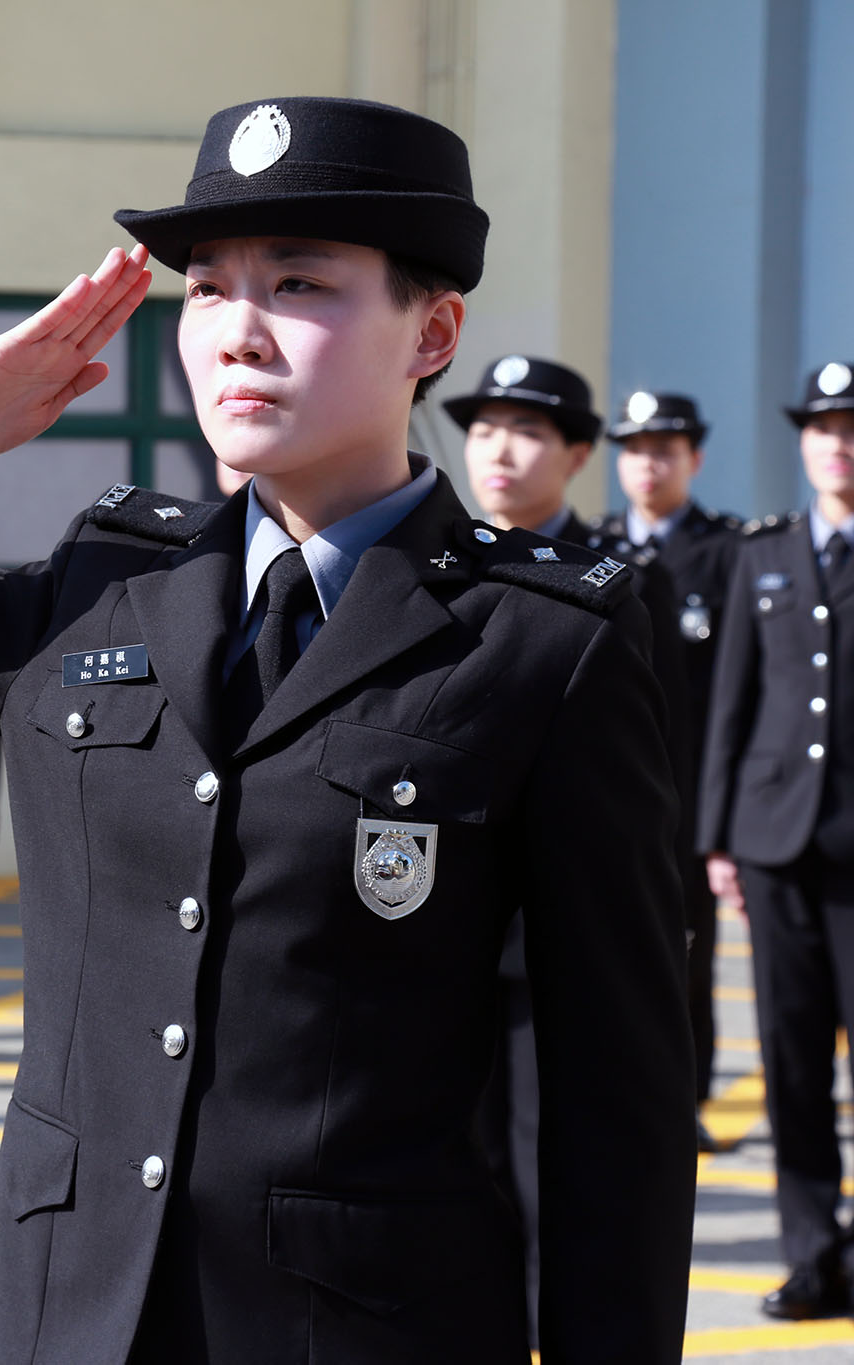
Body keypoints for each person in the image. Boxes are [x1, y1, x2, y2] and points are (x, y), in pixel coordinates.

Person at [0, 97, 696, 1361]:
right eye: (208, 289)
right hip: (68, 1314)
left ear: (431, 332)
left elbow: (613, 1095)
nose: (237, 332)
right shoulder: (101, 586)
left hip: (358, 1330)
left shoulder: (539, 642)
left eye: (297, 284)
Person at [449, 354, 696, 1337]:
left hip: (557, 938)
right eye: (482, 428)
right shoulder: (433, 568)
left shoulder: (617, 587)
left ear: (578, 454)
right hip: (438, 931)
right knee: (455, 1179)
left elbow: (659, 772)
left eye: (527, 432)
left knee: (555, 1175)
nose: (499, 451)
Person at [700, 360, 854, 1322]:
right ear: (803, 441)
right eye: (824, 428)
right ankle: (812, 1254)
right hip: (774, 842)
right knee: (790, 1062)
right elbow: (734, 699)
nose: (840, 445)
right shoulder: (762, 552)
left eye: (853, 428)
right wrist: (717, 836)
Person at [595, 390, 744, 1146]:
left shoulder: (729, 552)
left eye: (664, 451)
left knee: (687, 953)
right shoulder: (598, 547)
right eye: (634, 450)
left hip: (693, 786)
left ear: (695, 459)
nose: (647, 465)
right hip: (610, 782)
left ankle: (686, 1100)